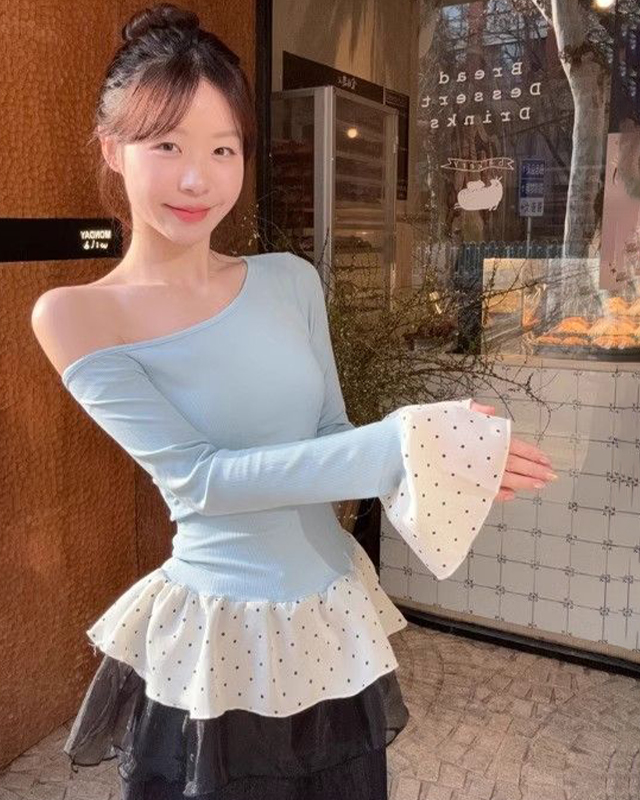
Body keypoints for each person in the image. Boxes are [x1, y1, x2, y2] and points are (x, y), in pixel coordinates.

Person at [31, 4, 555, 798]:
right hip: (224, 635)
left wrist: (440, 463)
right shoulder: (77, 315)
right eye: (166, 145)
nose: (197, 178)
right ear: (112, 148)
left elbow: (331, 437)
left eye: (222, 148)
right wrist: (399, 446)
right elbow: (200, 479)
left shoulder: (289, 279)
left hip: (330, 616)